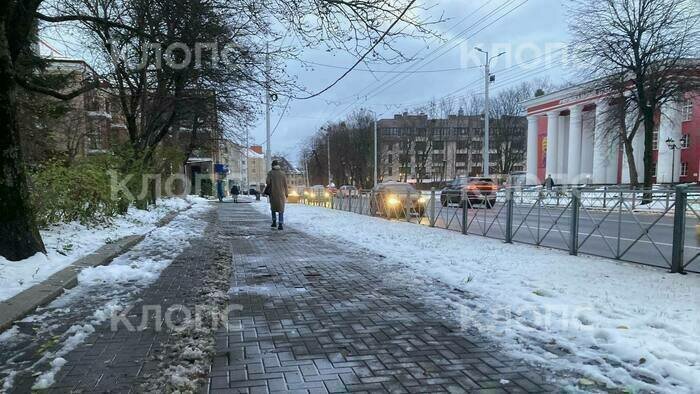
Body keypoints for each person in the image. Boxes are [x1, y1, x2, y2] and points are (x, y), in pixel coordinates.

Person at [265, 160, 288, 230]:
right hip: (281, 194)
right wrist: (286, 193)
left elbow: (267, 182)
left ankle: (274, 222)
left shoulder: (270, 173)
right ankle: (280, 224)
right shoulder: (282, 173)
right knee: (281, 209)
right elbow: (285, 185)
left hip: (273, 193)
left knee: (273, 208)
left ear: (272, 165)